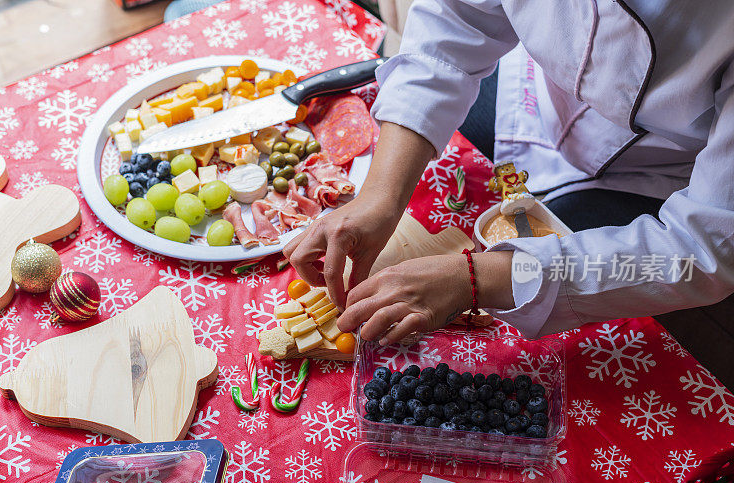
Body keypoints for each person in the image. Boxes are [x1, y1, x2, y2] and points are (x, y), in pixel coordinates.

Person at [284, 0, 734, 343]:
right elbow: (455, 25)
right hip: (537, 96)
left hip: (665, 168)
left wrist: (476, 280)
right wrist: (378, 196)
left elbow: (707, 247)